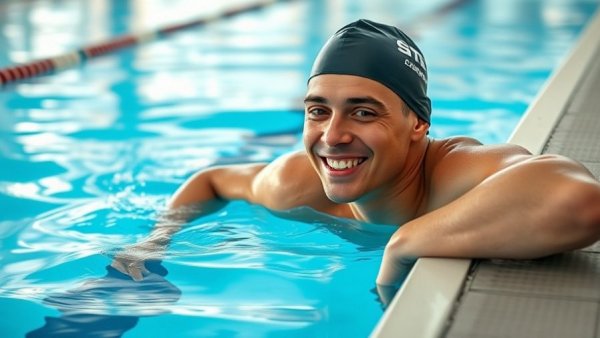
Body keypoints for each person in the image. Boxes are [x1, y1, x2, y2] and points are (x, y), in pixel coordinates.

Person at [112, 19, 600, 288]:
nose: (333, 136)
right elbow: (214, 180)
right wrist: (153, 245)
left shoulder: (455, 174)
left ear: (418, 124)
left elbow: (580, 200)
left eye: (364, 113)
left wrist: (407, 241)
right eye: (318, 111)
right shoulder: (296, 185)